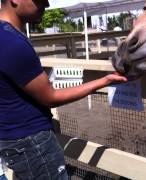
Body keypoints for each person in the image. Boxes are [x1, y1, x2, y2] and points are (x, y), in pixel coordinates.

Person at [0, 0, 127, 179]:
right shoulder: (12, 42)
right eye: (39, 0)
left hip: (12, 139)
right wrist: (103, 81)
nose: (46, 4)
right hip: (31, 141)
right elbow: (50, 97)